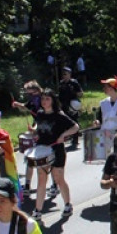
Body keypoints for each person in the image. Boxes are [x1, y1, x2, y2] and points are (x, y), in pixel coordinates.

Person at [33, 89, 80, 219]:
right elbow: (39, 128)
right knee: (41, 180)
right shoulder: (40, 114)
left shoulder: (59, 115)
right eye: (43, 99)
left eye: (47, 99)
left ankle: (67, 204)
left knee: (58, 179)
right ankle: (38, 210)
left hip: (57, 150)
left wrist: (63, 135)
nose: (44, 101)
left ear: (53, 100)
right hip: (42, 150)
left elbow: (75, 127)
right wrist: (35, 132)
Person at [12, 80, 43, 193]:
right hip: (37, 125)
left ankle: (54, 184)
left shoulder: (44, 98)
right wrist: (18, 104)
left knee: (46, 158)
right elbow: (26, 107)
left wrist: (37, 128)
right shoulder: (32, 99)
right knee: (30, 156)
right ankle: (27, 185)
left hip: (45, 127)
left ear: (36, 90)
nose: (28, 94)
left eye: (30, 91)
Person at [57, 68, 83, 150]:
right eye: (63, 74)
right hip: (64, 105)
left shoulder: (74, 82)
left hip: (72, 105)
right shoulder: (61, 83)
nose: (64, 76)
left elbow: (81, 93)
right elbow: (60, 95)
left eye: (66, 74)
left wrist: (74, 92)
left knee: (74, 121)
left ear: (69, 74)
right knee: (64, 121)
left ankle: (75, 140)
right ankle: (68, 136)